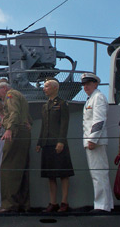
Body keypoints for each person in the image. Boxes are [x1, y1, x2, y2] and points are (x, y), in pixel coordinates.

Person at [0, 78, 31, 213]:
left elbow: (14, 112)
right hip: (23, 132)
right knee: (21, 168)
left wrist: (9, 129)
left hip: (15, 132)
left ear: (4, 89)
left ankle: (9, 205)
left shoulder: (11, 95)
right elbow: (25, 115)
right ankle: (23, 204)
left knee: (8, 167)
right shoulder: (20, 96)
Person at [36, 78, 74, 213]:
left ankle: (64, 202)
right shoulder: (45, 106)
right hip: (47, 144)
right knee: (50, 175)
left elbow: (64, 124)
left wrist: (61, 141)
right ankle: (53, 203)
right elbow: (44, 126)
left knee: (64, 174)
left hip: (58, 143)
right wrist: (40, 142)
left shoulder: (62, 104)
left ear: (54, 88)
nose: (44, 88)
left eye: (46, 86)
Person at [81, 73, 114, 213]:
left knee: (99, 174)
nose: (85, 87)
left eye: (88, 83)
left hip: (96, 142)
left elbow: (99, 121)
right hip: (92, 142)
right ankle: (105, 204)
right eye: (84, 84)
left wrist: (92, 140)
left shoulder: (98, 98)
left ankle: (102, 206)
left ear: (95, 84)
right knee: (97, 174)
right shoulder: (91, 99)